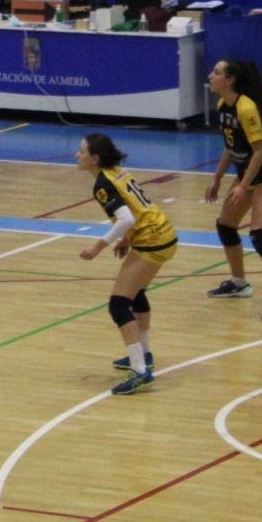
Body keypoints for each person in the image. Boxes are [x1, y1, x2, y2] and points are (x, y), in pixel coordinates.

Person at [75, 133, 177, 396]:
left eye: (81, 151)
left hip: (152, 240)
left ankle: (140, 371)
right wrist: (126, 239)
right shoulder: (118, 172)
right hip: (162, 233)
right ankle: (144, 355)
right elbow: (137, 212)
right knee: (136, 293)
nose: (77, 155)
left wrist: (98, 246)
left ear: (94, 158)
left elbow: (126, 219)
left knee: (118, 304)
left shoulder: (102, 184)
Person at [205, 58, 262, 322]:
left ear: (229, 80)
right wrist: (217, 178)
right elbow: (230, 146)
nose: (210, 75)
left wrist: (243, 186)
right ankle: (239, 283)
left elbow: (259, 152)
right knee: (226, 226)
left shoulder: (246, 108)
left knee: (259, 236)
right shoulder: (223, 106)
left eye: (216, 72)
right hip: (246, 174)